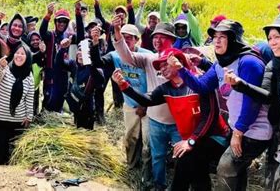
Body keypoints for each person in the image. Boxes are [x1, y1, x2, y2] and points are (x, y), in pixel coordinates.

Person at [113, 48, 229, 191]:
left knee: (186, 162)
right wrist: (124, 86)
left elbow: (210, 116)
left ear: (178, 62)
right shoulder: (166, 89)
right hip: (192, 141)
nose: (161, 69)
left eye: (165, 64)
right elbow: (147, 99)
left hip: (214, 137)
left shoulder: (199, 82)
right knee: (197, 171)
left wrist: (192, 140)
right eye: (160, 67)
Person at [177, 19, 272, 190]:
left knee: (226, 168)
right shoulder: (221, 63)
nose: (217, 40)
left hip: (254, 131)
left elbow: (253, 102)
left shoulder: (249, 62)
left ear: (234, 39)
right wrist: (181, 69)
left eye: (223, 36)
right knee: (238, 171)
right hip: (239, 128)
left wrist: (238, 132)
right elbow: (202, 86)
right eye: (215, 36)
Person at [225, 13, 280, 190]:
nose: (272, 42)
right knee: (270, 184)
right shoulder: (275, 64)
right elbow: (267, 95)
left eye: (277, 37)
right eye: (269, 38)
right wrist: (241, 85)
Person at [113, 17, 179, 190]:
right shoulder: (149, 59)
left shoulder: (180, 60)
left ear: (172, 40)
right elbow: (127, 56)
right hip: (155, 117)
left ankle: (180, 184)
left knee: (181, 157)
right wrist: (118, 33)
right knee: (155, 154)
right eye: (155, 36)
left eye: (162, 37)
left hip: (177, 120)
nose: (157, 40)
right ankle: (156, 184)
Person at [90, 24, 153, 186]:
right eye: (122, 37)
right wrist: (95, 43)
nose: (125, 41)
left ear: (137, 40)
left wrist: (145, 106)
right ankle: (132, 166)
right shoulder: (115, 55)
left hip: (150, 105)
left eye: (130, 38)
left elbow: (155, 84)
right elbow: (97, 62)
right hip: (130, 104)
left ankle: (147, 174)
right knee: (131, 137)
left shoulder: (148, 56)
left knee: (148, 141)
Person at [0, 44, 34, 165]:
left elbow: (29, 97)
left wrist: (29, 116)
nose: (19, 56)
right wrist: (0, 66)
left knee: (13, 151)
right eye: (17, 53)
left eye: (23, 54)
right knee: (0, 150)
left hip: (17, 119)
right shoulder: (6, 68)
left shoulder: (29, 75)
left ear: (28, 57)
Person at [40, 2, 76, 112]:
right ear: (55, 22)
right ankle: (46, 117)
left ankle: (57, 114)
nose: (62, 23)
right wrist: (48, 15)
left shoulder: (68, 36)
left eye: (65, 21)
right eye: (59, 20)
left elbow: (82, 36)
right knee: (49, 99)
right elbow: (42, 31)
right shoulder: (50, 35)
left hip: (63, 73)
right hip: (51, 73)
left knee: (60, 97)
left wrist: (78, 13)